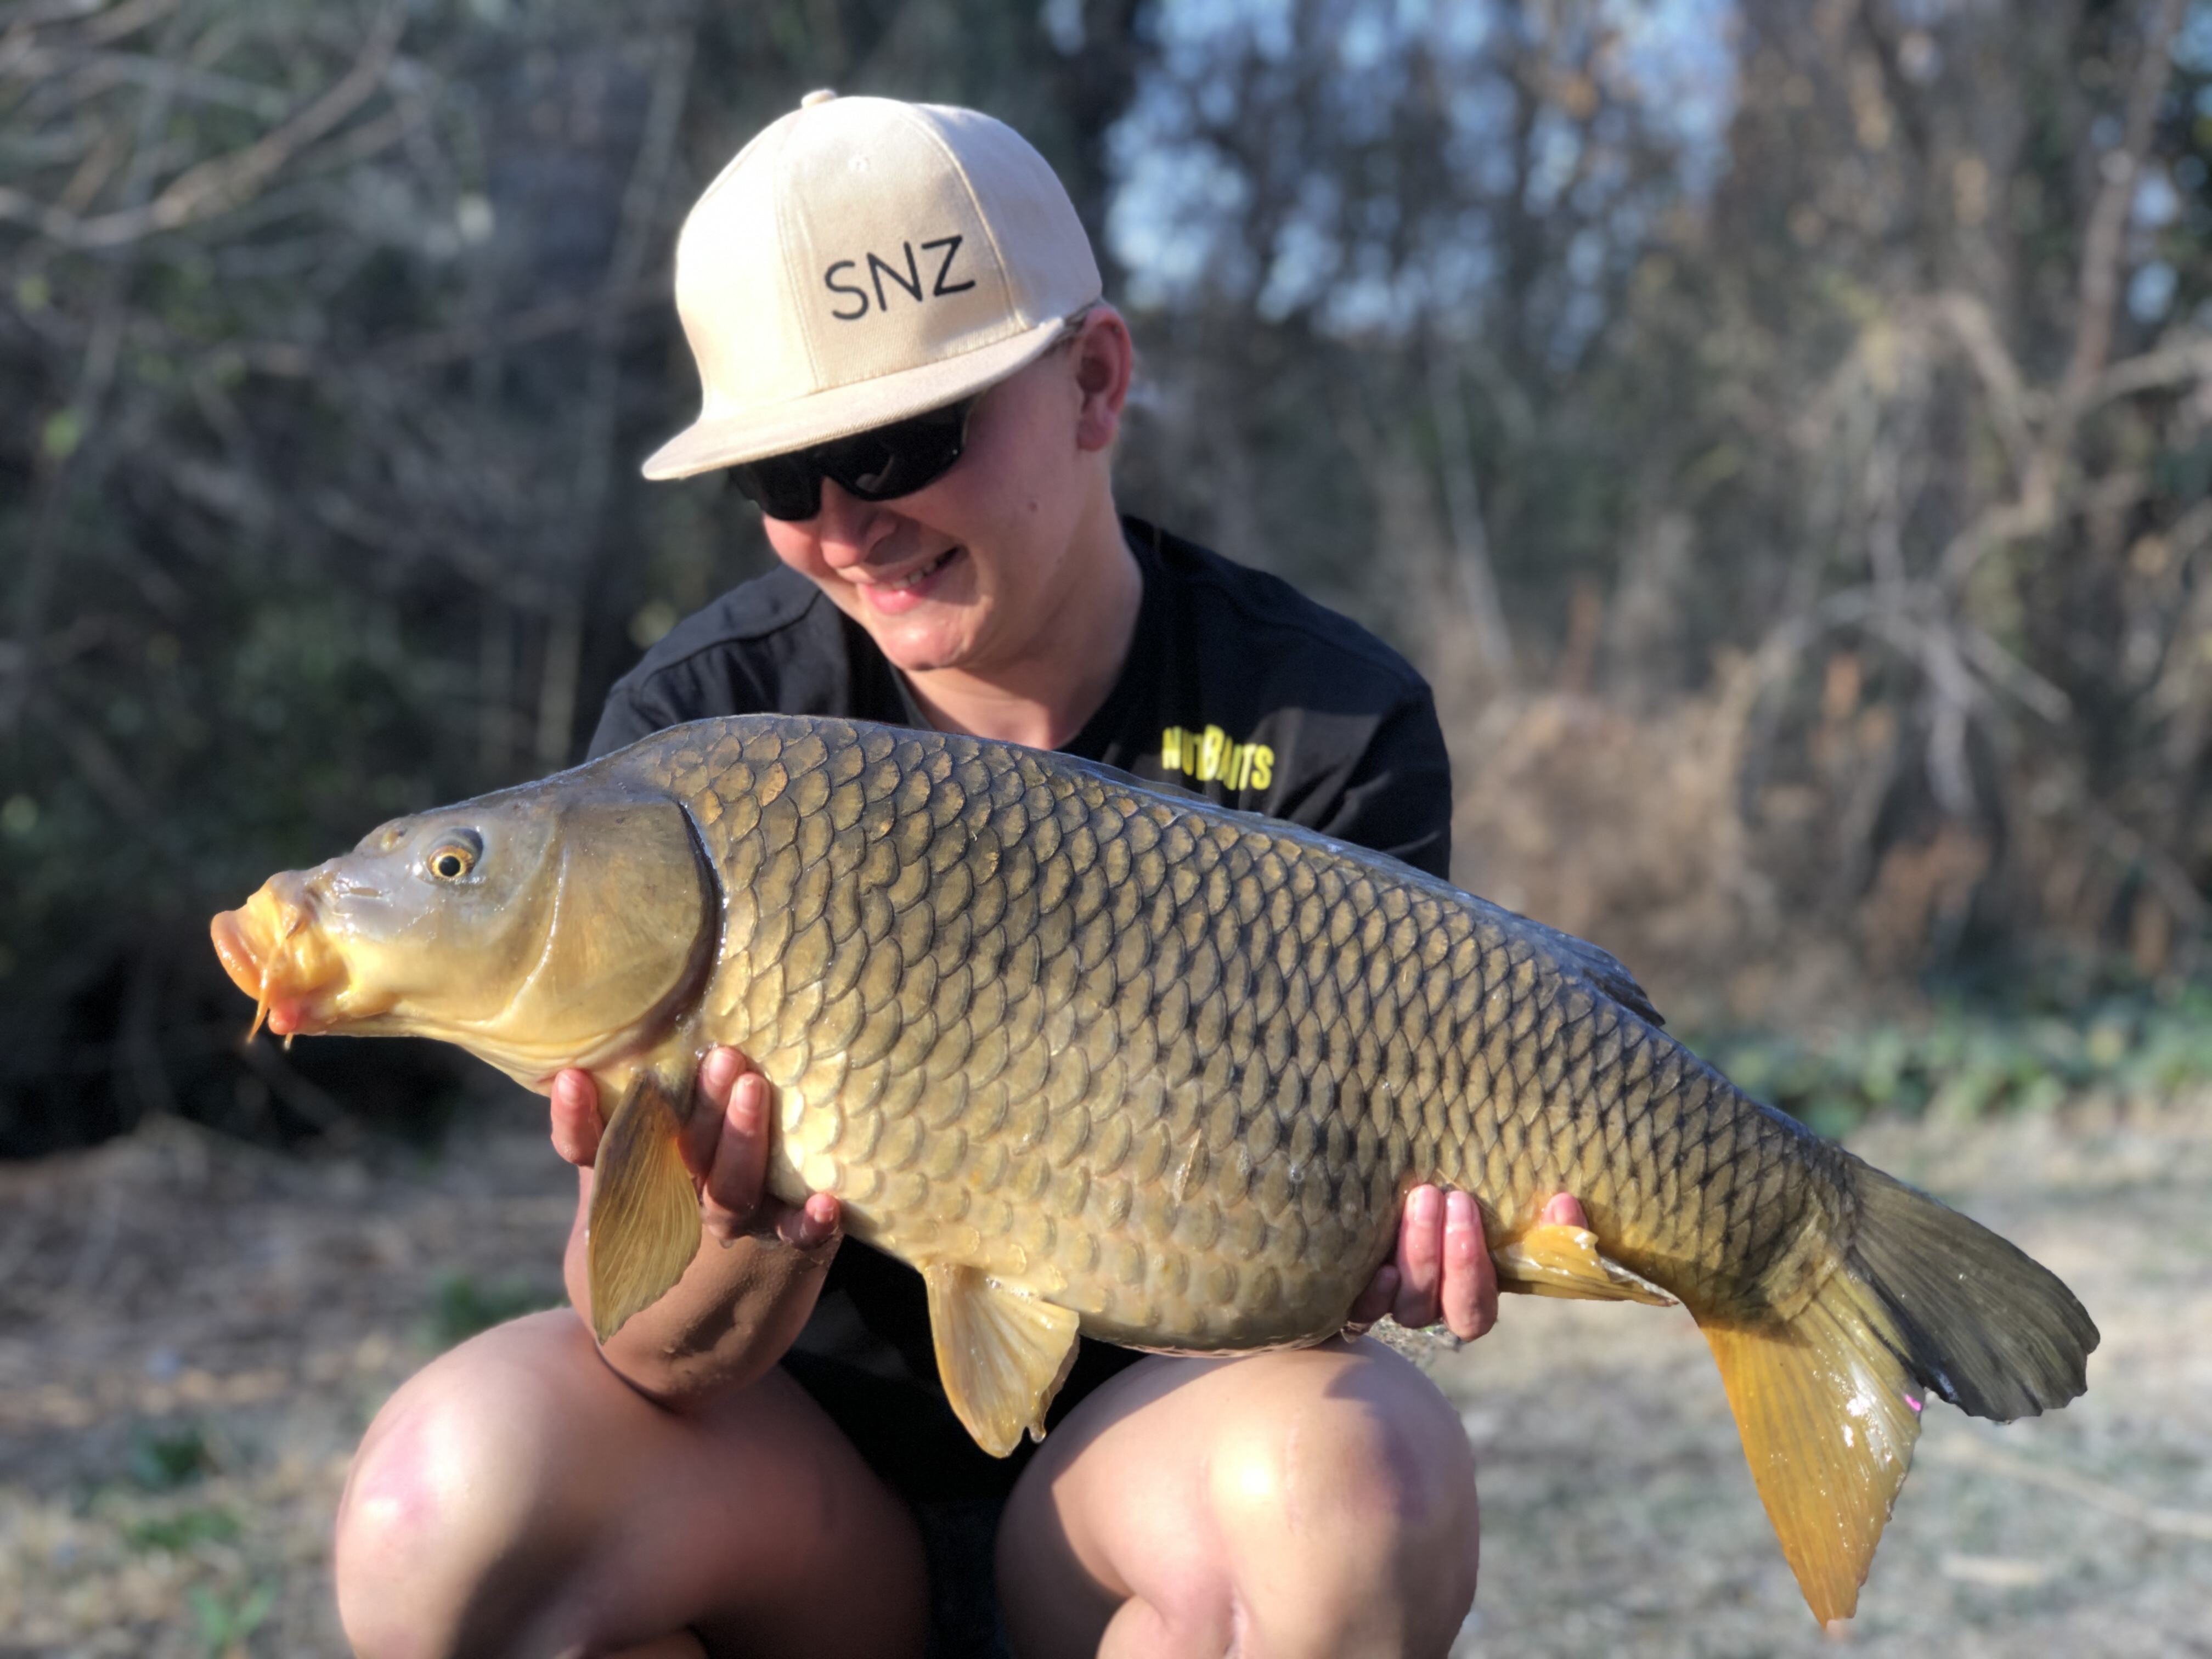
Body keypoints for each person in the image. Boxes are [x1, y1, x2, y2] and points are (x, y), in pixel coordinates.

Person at [332, 92, 1586, 1659]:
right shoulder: (699, 745)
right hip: (796, 1510)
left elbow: (1319, 1301)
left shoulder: (1323, 718)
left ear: (1095, 381)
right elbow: (646, 1354)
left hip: (1143, 1491)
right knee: (440, 1515)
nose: (846, 525)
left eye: (898, 445)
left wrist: (1384, 1254)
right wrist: (733, 1224)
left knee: (1354, 1483)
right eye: (785, 477)